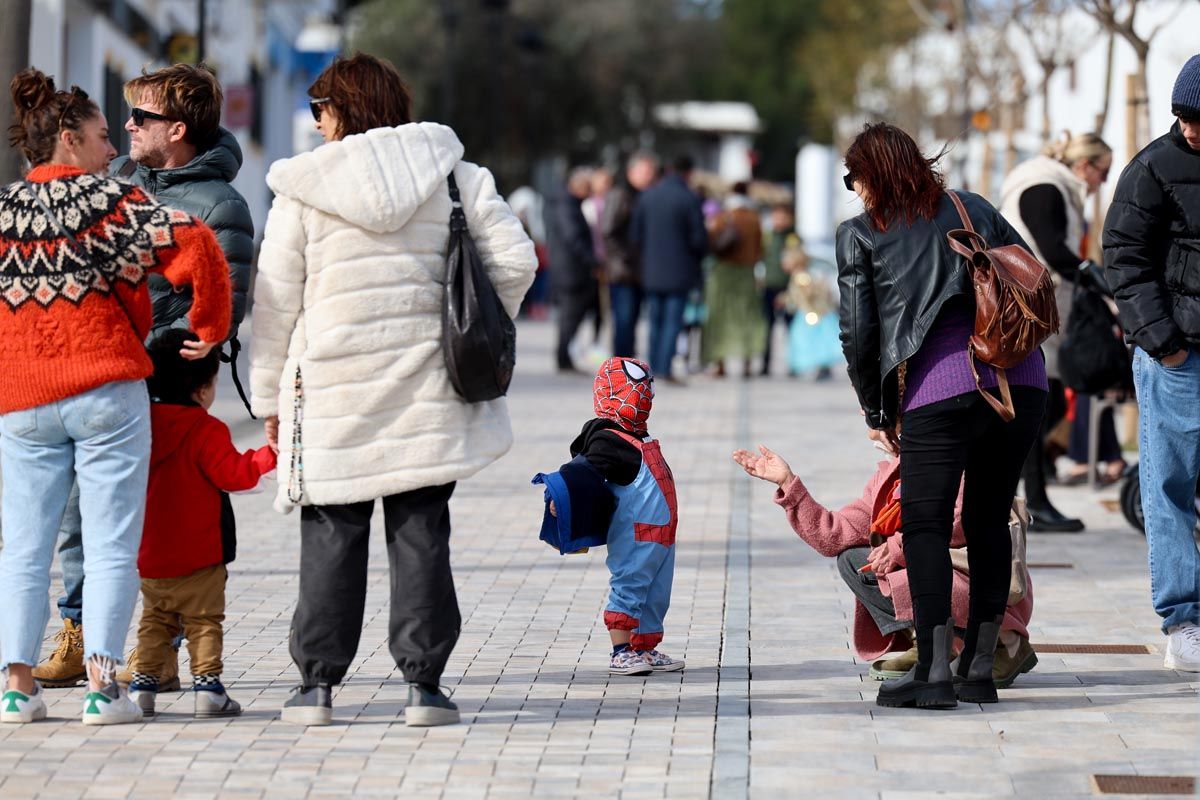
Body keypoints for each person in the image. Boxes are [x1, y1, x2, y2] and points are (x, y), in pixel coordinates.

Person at [248, 53, 536, 727]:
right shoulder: (455, 175)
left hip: (331, 393)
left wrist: (267, 398)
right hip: (427, 389)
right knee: (421, 535)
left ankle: (315, 688)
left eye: (319, 109)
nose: (316, 123)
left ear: (342, 109)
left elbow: (275, 304)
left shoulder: (303, 190)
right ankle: (424, 687)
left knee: (330, 537)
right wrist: (475, 327)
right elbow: (516, 261)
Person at [0, 69, 231, 725]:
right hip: (107, 391)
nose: (113, 149)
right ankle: (104, 688)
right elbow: (197, 245)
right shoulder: (115, 204)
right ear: (69, 139)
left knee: (23, 546)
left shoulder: (3, 210)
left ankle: (16, 689)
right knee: (110, 544)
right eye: (104, 136)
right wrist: (208, 328)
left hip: (22, 398)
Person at [836, 122, 1047, 709]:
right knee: (986, 520)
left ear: (872, 176)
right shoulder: (971, 206)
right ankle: (977, 669)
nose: (854, 191)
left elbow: (860, 330)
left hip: (942, 387)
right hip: (1021, 381)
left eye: (855, 178)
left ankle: (933, 672)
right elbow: (1028, 280)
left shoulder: (862, 233)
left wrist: (876, 408)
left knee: (924, 525)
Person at [731, 442, 1037, 688]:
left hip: (978, 581)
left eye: (875, 418)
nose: (871, 433)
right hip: (941, 579)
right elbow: (834, 536)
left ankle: (1005, 642)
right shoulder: (889, 476)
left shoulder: (958, 456)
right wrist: (789, 485)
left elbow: (957, 521)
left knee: (911, 565)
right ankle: (930, 642)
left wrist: (898, 547)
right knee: (853, 561)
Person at [1103, 54, 1200, 673]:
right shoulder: (1153, 169)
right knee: (1168, 484)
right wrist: (1163, 341)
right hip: (1176, 357)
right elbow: (1123, 256)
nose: (1189, 129)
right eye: (1182, 117)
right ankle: (1184, 621)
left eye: (1199, 119)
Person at [127, 330, 276, 719]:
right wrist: (267, 456)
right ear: (201, 388)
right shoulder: (205, 429)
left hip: (151, 556)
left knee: (154, 620)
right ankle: (208, 688)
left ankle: (143, 687)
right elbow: (234, 475)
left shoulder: (138, 427)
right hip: (201, 555)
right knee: (204, 623)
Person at [999, 131, 1114, 532]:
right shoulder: (1043, 186)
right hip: (1025, 310)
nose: (1102, 181)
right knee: (1036, 403)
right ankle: (1034, 502)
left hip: (1037, 308)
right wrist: (1092, 276)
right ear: (1084, 166)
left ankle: (1023, 496)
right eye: (1103, 171)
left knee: (1042, 404)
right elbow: (1049, 249)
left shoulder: (1053, 185)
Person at [549, 357, 682, 675]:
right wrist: (562, 496)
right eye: (636, 388)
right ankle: (620, 650)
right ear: (614, 392)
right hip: (636, 533)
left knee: (656, 593)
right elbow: (581, 472)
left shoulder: (639, 435)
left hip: (662, 534)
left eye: (647, 388)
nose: (643, 395)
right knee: (630, 585)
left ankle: (645, 648)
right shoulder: (608, 440)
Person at [630, 155, 707, 383]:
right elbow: (698, 240)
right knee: (672, 322)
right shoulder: (689, 198)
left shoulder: (647, 196)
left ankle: (650, 369)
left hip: (651, 270)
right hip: (679, 271)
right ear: (688, 173)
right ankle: (664, 368)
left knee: (654, 321)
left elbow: (635, 236)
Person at [702, 182, 767, 378]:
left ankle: (719, 363)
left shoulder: (721, 218)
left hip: (722, 273)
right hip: (746, 273)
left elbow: (711, 244)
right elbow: (760, 251)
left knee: (719, 317)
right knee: (746, 317)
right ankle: (747, 363)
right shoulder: (754, 220)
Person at [601, 152, 659, 358]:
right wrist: (626, 257)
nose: (648, 176)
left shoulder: (646, 197)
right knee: (624, 322)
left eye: (651, 172)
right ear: (631, 172)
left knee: (633, 321)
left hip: (639, 271)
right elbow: (608, 231)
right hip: (623, 271)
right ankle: (622, 366)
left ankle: (628, 362)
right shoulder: (620, 194)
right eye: (644, 171)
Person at [547, 166, 600, 373]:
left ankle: (565, 356)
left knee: (572, 316)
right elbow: (573, 237)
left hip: (570, 269)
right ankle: (563, 357)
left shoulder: (567, 203)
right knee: (570, 316)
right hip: (571, 271)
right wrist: (592, 260)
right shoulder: (566, 205)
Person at [781, 241, 841, 380]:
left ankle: (816, 366)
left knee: (808, 339)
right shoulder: (799, 275)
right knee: (802, 339)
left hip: (810, 312)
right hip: (807, 312)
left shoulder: (801, 276)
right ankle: (798, 365)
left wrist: (790, 300)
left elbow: (804, 294)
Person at [760, 202, 796, 376]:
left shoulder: (793, 238)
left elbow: (801, 260)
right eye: (775, 217)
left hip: (789, 289)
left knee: (791, 328)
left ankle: (794, 363)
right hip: (769, 287)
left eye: (782, 217)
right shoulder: (767, 237)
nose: (778, 221)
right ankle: (765, 364)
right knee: (767, 327)